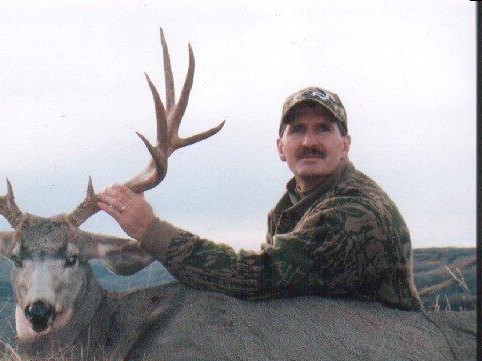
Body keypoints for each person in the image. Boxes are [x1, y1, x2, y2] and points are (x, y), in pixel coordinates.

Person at [97, 87, 421, 310]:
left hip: (383, 356)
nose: (309, 141)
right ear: (281, 148)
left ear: (345, 145)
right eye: (297, 129)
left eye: (323, 128)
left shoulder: (355, 211)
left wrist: (152, 231)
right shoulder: (290, 207)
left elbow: (256, 278)